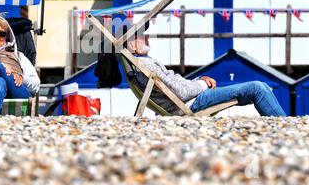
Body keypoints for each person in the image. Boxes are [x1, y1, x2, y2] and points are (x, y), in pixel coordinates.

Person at [119, 22, 286, 117]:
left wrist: (199, 81)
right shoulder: (144, 66)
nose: (146, 37)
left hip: (193, 98)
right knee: (258, 88)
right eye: (141, 35)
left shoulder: (142, 63)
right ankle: (283, 128)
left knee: (256, 88)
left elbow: (176, 86)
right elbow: (181, 93)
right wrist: (202, 84)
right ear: (131, 45)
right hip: (193, 103)